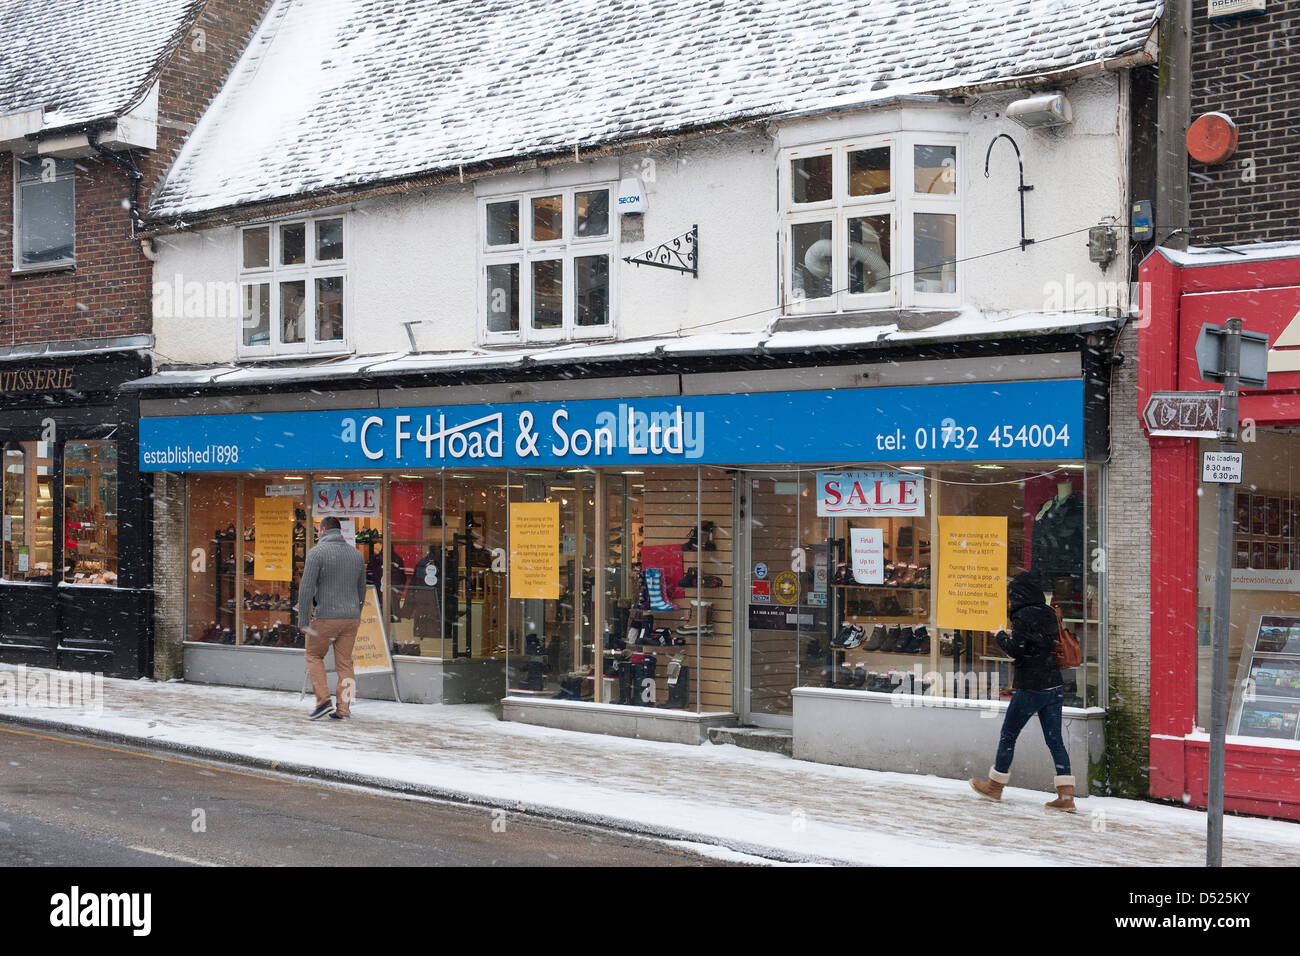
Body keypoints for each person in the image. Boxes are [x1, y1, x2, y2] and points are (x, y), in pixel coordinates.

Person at [970, 569, 1076, 812]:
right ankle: (1066, 795)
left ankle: (995, 786)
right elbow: (1038, 644)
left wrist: (999, 636)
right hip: (1054, 685)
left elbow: (1018, 650)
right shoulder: (1048, 612)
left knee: (1009, 735)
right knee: (1055, 740)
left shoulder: (1022, 615)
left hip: (1031, 686)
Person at [298, 516, 367, 720]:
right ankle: (344, 708)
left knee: (313, 656)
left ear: (323, 530)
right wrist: (356, 612)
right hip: (351, 618)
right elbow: (361, 589)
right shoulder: (356, 555)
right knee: (345, 663)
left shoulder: (317, 553)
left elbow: (306, 589)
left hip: (326, 616)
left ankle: (323, 701)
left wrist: (302, 619)